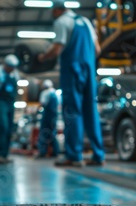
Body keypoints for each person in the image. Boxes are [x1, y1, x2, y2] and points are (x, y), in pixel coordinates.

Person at [37, 0, 105, 167]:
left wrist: (43, 57)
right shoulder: (87, 22)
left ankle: (74, 156)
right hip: (89, 70)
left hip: (72, 70)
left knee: (72, 111)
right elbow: (97, 50)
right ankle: (98, 155)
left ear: (57, 11)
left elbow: (57, 48)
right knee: (90, 111)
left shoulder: (61, 22)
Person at [0, 54, 20, 164]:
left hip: (11, 102)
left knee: (10, 128)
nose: (11, 69)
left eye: (13, 67)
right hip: (1, 101)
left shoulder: (15, 73)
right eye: (10, 66)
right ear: (5, 64)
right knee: (3, 126)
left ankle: (5, 155)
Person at [36, 79, 60, 158]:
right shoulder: (55, 93)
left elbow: (42, 104)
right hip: (54, 116)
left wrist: (36, 111)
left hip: (47, 116)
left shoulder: (45, 93)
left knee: (44, 133)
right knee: (52, 132)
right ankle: (55, 151)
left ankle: (43, 152)